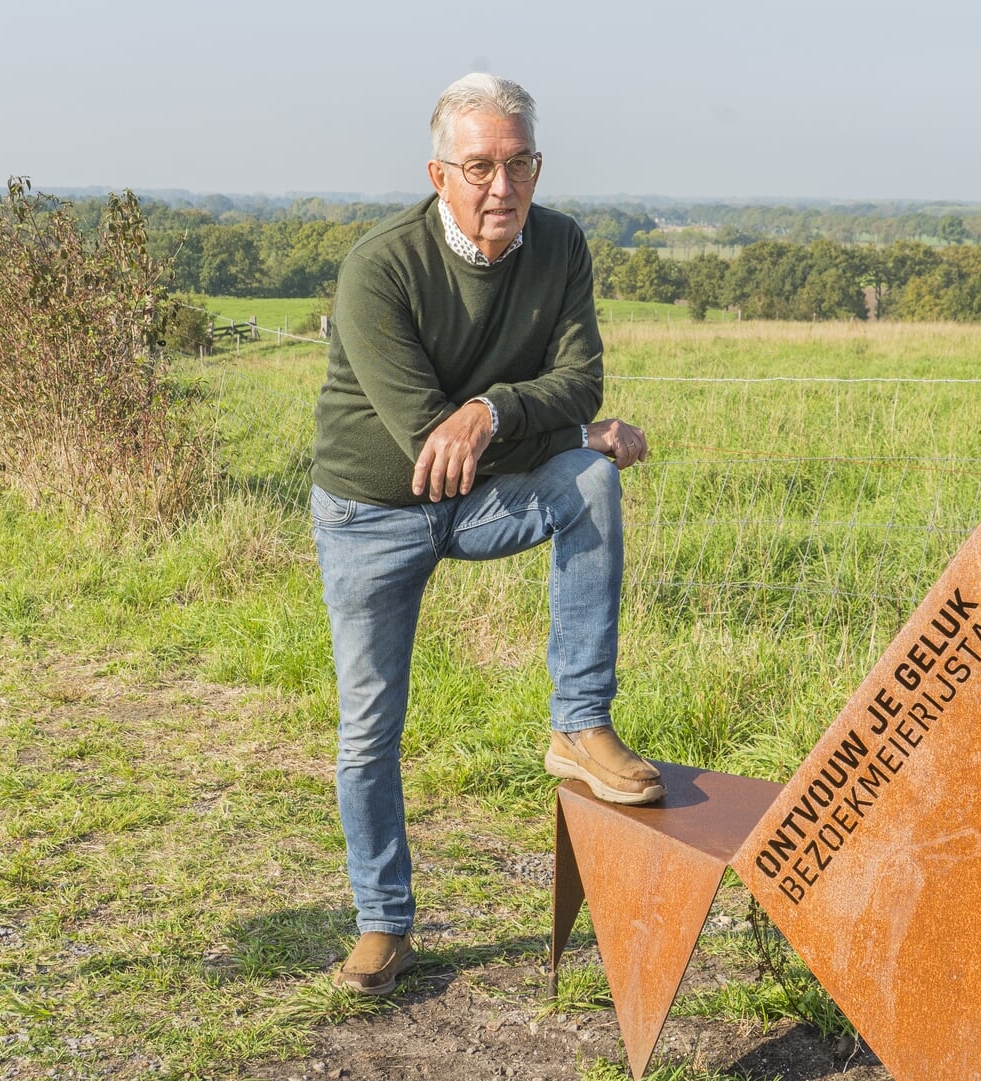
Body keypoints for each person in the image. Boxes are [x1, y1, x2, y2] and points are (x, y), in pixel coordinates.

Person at [310, 72, 660, 997]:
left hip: (483, 488)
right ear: (438, 172)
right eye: (478, 166)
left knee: (590, 480)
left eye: (519, 164)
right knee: (369, 727)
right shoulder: (378, 268)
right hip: (369, 515)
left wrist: (501, 411)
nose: (501, 187)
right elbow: (433, 448)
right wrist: (558, 429)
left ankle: (579, 723)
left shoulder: (562, 245)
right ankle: (383, 922)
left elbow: (578, 379)